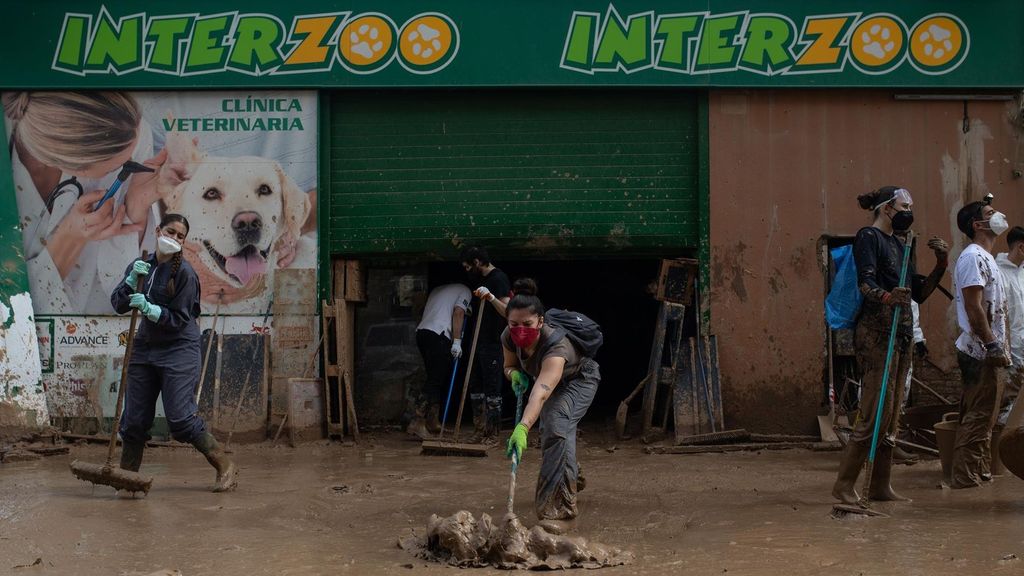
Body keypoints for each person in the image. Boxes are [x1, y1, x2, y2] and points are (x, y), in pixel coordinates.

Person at [832, 186, 947, 505]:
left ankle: (881, 486)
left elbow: (917, 293)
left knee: (893, 413)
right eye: (904, 206)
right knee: (872, 413)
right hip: (877, 334)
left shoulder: (902, 244)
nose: (909, 211)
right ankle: (844, 487)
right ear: (887, 209)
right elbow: (865, 281)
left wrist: (941, 263)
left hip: (902, 334)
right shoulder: (868, 237)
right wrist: (885, 296)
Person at [4, 91, 165, 314]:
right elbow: (9, 309)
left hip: (104, 333)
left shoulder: (131, 131)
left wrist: (136, 207)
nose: (129, 164)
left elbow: (126, 290)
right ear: (76, 168)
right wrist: (70, 237)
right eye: (114, 169)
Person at [111, 213, 238, 493]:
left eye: (180, 236)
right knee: (133, 420)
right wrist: (130, 282)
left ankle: (224, 465)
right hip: (145, 348)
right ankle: (128, 479)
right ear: (158, 230)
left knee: (180, 420)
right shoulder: (141, 265)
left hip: (179, 348)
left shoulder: (185, 274)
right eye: (170, 231)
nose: (174, 238)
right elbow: (118, 304)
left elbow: (181, 319)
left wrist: (151, 310)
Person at [502, 279, 599, 535]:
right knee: (554, 433)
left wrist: (522, 428)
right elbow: (509, 365)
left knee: (557, 425)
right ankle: (571, 475)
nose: (520, 330)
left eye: (527, 325)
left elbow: (541, 394)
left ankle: (560, 510)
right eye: (514, 324)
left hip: (579, 380)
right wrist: (513, 375)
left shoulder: (557, 347)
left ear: (541, 322)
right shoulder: (508, 337)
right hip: (546, 385)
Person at [950, 199, 1011, 488]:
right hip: (981, 351)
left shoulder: (986, 257)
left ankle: (978, 473)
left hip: (986, 350)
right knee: (978, 418)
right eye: (989, 213)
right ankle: (964, 481)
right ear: (977, 225)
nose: (997, 215)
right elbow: (974, 306)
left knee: (984, 418)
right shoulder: (973, 256)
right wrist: (992, 345)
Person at [461, 246, 512, 444]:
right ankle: (479, 429)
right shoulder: (480, 280)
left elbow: (507, 311)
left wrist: (491, 297)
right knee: (475, 385)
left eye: (467, 267)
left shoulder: (499, 279)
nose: (466, 271)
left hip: (492, 341)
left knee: (492, 387)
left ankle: (492, 433)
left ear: (476, 262)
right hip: (477, 341)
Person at [410, 283, 471, 438]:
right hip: (439, 334)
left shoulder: (437, 289)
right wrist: (457, 342)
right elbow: (458, 313)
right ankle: (417, 422)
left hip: (423, 333)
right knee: (435, 379)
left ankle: (432, 421)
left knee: (435, 377)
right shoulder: (465, 290)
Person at [991, 226, 1024, 471]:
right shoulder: (998, 273)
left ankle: (1014, 462)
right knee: (1002, 406)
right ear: (1021, 247)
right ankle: (996, 464)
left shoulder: (1023, 274)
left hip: (1023, 349)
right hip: (1008, 352)